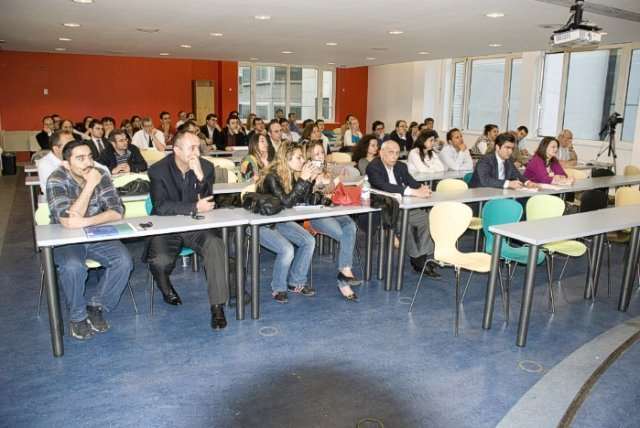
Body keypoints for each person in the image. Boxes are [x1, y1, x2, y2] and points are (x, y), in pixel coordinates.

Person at [46, 140, 133, 340]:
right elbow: (67, 221)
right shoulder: (56, 179)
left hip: (96, 232)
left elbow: (117, 211)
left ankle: (96, 305)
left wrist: (85, 221)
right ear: (66, 163)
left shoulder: (100, 174)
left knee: (123, 261)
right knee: (73, 267)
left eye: (90, 157)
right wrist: (90, 185)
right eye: (80, 158)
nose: (88, 163)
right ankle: (77, 316)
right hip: (65, 238)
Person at [146, 130, 230, 330]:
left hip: (196, 226)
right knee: (159, 261)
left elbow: (208, 202)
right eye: (192, 148)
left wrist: (200, 178)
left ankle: (217, 306)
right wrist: (193, 206)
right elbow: (160, 206)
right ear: (176, 150)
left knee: (215, 244)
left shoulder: (206, 167)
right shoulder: (158, 170)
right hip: (167, 227)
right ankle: (165, 286)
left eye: (198, 148)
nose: (197, 153)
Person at [257, 142, 321, 303]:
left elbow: (302, 200)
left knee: (309, 240)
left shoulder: (290, 174)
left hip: (279, 219)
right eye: (299, 157)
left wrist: (310, 180)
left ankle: (296, 282)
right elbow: (287, 202)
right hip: (261, 223)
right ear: (287, 158)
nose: (303, 161)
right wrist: (303, 180)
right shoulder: (271, 177)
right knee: (287, 249)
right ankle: (278, 287)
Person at [366, 140, 439, 277]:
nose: (395, 156)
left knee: (428, 219)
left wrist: (422, 188)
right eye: (391, 152)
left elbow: (412, 182)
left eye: (397, 153)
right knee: (406, 227)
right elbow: (384, 186)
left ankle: (423, 257)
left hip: (405, 206)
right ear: (381, 153)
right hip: (387, 210)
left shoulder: (401, 166)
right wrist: (413, 192)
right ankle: (418, 260)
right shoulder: (373, 167)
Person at [305, 140, 361, 300]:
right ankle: (344, 281)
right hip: (316, 214)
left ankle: (345, 272)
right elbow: (320, 191)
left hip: (334, 210)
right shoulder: (306, 173)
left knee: (351, 226)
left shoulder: (328, 169)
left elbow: (351, 173)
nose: (320, 156)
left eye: (322, 152)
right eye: (316, 154)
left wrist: (349, 175)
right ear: (309, 157)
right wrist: (335, 180)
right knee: (344, 235)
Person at [469, 132, 537, 189]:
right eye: (507, 147)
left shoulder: (508, 161)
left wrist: (528, 182)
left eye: (512, 148)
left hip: (499, 193)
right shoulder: (485, 160)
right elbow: (485, 180)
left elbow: (517, 174)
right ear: (497, 147)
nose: (510, 151)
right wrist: (508, 183)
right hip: (480, 195)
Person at [38, 130, 74, 195]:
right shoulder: (45, 165)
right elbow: (54, 192)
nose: (74, 147)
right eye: (69, 145)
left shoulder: (73, 157)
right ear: (56, 149)